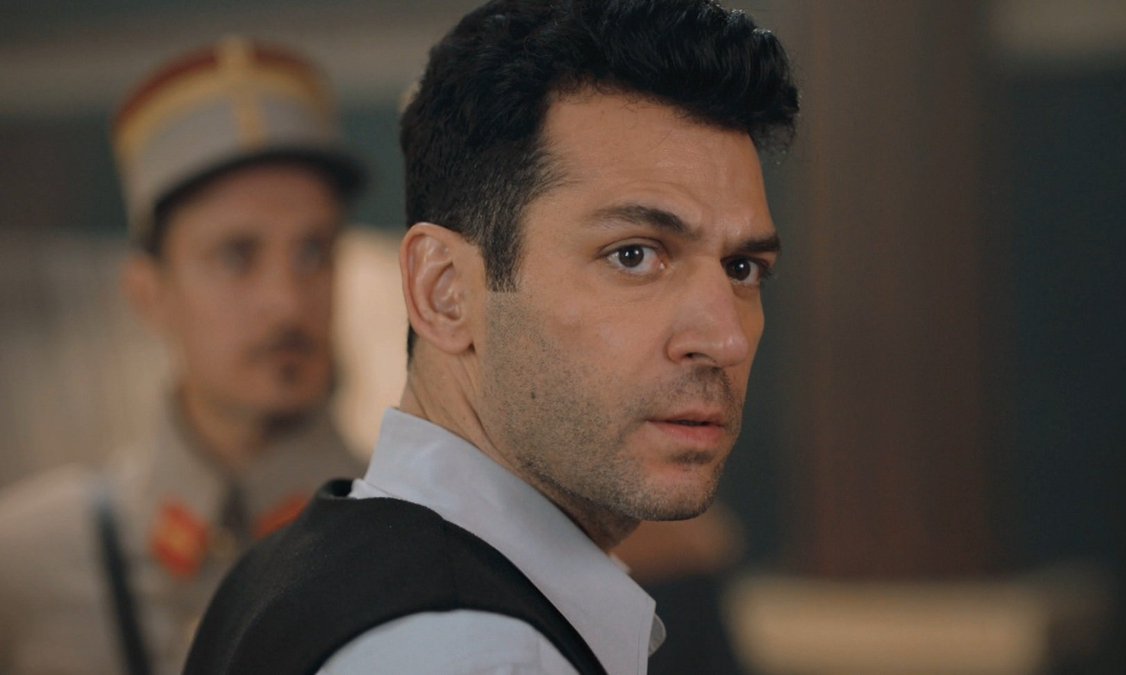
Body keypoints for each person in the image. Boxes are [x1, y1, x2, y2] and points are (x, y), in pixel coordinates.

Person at [185, 2, 799, 673]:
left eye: (743, 268)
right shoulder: (476, 654)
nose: (726, 338)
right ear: (444, 291)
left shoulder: (283, 574)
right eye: (633, 255)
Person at [0, 37, 366, 675]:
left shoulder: (417, 536)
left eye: (313, 252)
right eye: (236, 256)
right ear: (149, 293)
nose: (287, 302)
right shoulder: (31, 565)